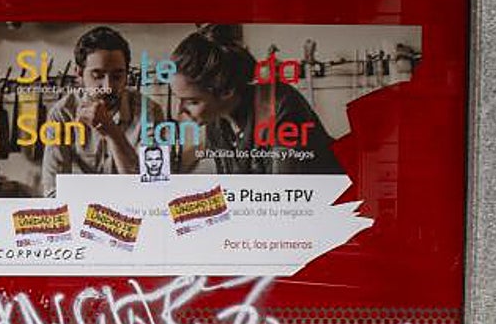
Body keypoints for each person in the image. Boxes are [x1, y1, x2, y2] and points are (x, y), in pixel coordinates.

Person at [170, 24, 343, 174]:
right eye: (180, 99)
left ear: (226, 91)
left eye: (192, 101)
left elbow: (282, 195)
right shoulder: (216, 122)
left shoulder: (279, 106)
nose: (180, 112)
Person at [41, 26, 164, 196]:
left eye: (117, 76)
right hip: (80, 212)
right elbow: (53, 190)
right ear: (79, 73)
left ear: (127, 74)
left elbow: (152, 188)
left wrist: (112, 132)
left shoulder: (150, 112)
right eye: (97, 75)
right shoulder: (62, 114)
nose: (107, 87)